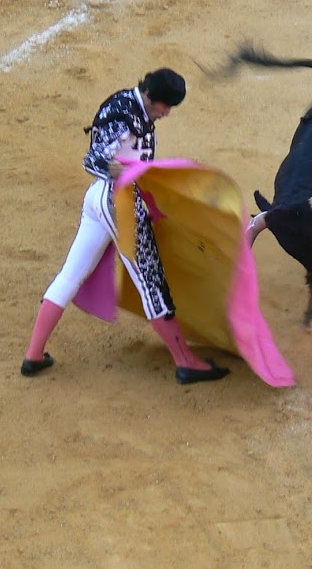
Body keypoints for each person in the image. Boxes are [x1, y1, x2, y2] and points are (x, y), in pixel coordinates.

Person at [21, 68, 230, 385]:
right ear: (150, 96)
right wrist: (113, 168)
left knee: (71, 275)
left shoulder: (137, 111)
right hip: (119, 204)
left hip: (101, 200)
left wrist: (154, 205)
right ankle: (186, 363)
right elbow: (92, 159)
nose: (167, 113)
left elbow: (141, 168)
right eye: (165, 106)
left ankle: (34, 356)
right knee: (152, 285)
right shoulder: (123, 113)